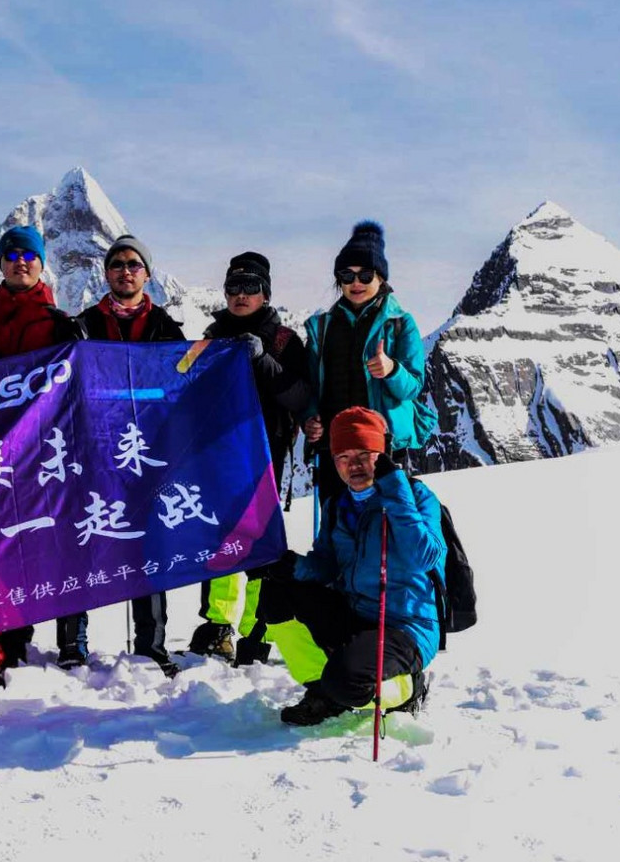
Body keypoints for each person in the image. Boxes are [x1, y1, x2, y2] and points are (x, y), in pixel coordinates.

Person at [268, 407, 444, 725]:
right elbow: (327, 566)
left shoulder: (416, 497)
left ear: (383, 455)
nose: (355, 465)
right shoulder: (337, 506)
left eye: (365, 453)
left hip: (406, 627)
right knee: (276, 596)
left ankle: (409, 688)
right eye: (344, 456)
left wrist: (395, 490)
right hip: (354, 614)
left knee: (348, 683)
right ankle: (323, 692)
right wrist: (295, 567)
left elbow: (425, 557)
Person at [0, 224, 77, 691]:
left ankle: (12, 636)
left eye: (29, 254)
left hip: (35, 458)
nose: (20, 261)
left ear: (41, 262)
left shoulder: (58, 321)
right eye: (11, 254)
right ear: (1, 263)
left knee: (23, 552)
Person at [61, 235, 184, 677]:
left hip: (143, 452)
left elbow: (180, 386)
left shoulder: (167, 329)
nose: (125, 270)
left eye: (134, 264)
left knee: (147, 543)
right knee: (80, 539)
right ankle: (71, 646)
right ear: (106, 272)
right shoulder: (80, 325)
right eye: (117, 263)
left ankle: (151, 646)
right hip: (90, 451)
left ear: (147, 274)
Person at [187, 251, 312, 664]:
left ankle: (257, 627)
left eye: (250, 287)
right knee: (220, 535)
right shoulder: (210, 335)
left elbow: (299, 395)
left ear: (265, 293)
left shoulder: (284, 341)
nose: (240, 295)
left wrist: (262, 361)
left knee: (260, 539)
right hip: (220, 451)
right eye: (233, 288)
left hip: (265, 451)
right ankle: (218, 623)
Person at [301, 221, 432, 498]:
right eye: (347, 276)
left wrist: (391, 369)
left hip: (382, 445)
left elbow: (414, 386)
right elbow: (311, 384)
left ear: (381, 278)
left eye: (365, 275)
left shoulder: (400, 324)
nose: (355, 283)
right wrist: (309, 418)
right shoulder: (321, 327)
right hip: (335, 446)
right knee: (338, 524)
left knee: (385, 521)